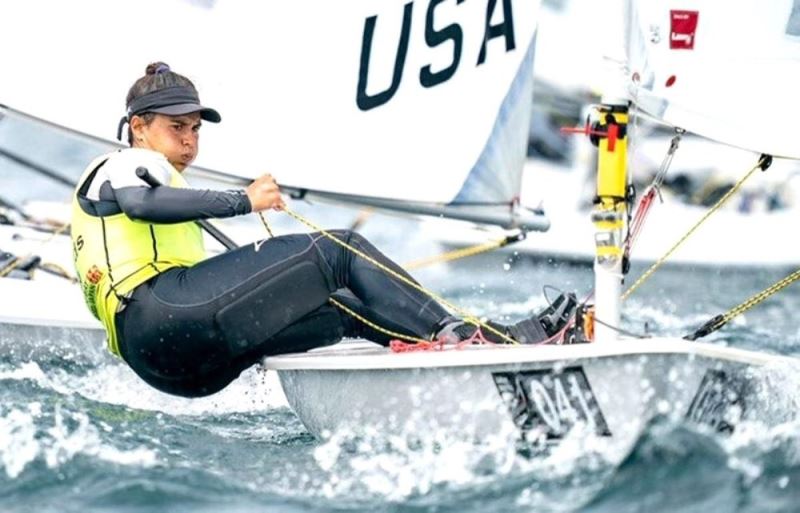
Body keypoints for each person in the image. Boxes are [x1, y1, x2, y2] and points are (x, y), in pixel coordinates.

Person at [71, 62, 578, 398]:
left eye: (195, 129)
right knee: (339, 249)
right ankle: (470, 339)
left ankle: (492, 346)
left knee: (339, 305)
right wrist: (244, 200)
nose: (189, 140)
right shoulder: (123, 164)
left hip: (174, 367)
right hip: (159, 318)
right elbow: (140, 204)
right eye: (176, 127)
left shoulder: (159, 176)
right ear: (139, 127)